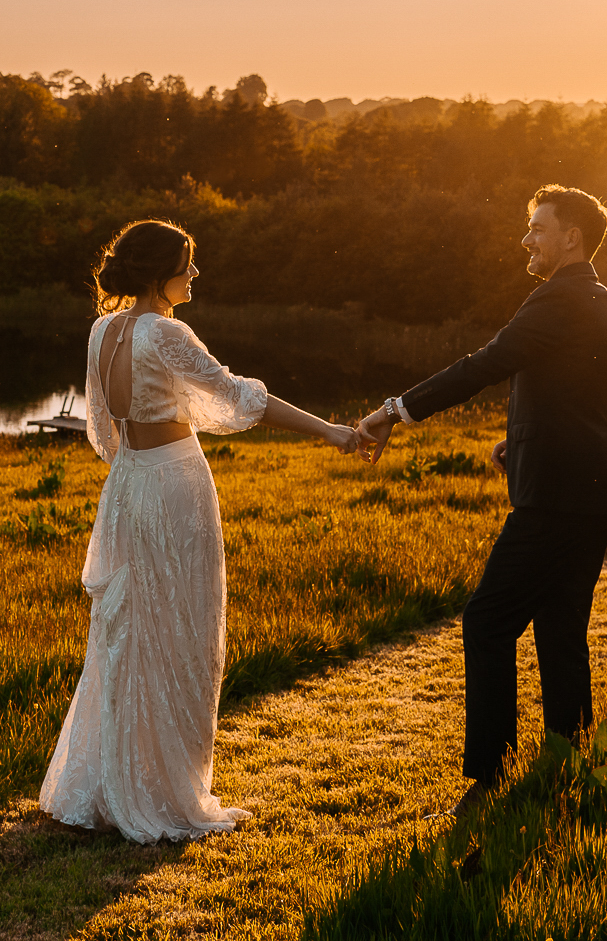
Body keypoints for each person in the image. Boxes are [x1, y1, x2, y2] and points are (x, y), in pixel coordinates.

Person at [40, 219, 360, 843]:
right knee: (181, 630)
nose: (194, 275)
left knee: (129, 632)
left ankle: (111, 780)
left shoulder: (103, 330)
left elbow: (104, 432)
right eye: (187, 265)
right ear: (161, 273)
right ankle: (163, 790)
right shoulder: (165, 333)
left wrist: (134, 468)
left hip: (129, 484)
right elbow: (243, 398)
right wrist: (330, 431)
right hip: (175, 484)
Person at [355, 185, 607, 818]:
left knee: (487, 620)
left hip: (559, 498)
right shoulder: (601, 303)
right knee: (561, 632)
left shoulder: (560, 299)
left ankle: (489, 779)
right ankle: (574, 764)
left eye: (538, 228)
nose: (526, 239)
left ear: (572, 238)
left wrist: (397, 409)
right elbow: (601, 407)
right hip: (587, 490)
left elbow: (487, 362)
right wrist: (522, 444)